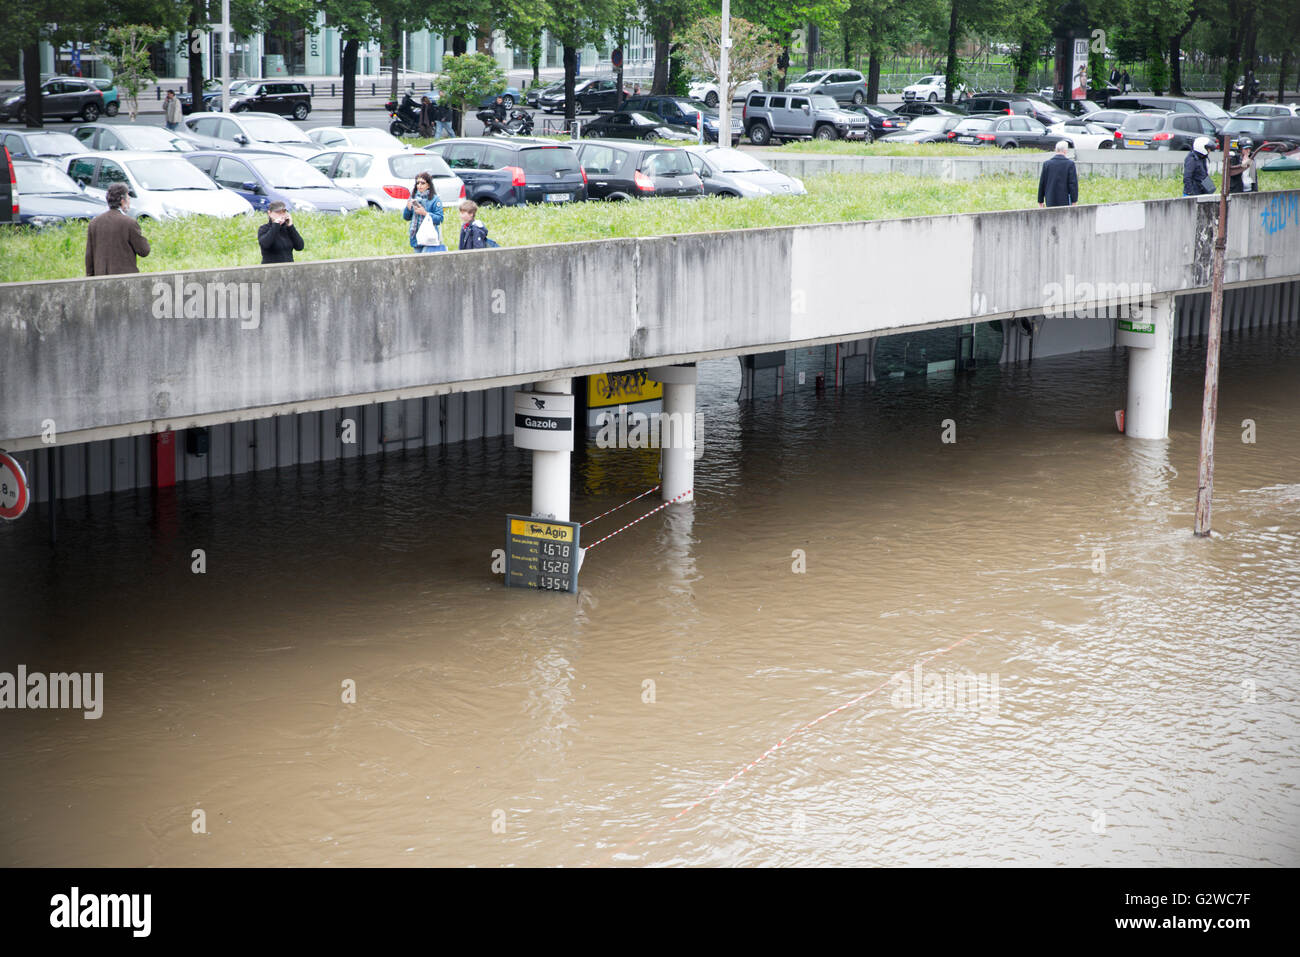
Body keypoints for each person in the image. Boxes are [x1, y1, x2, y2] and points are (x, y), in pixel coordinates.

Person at [85, 183, 150, 276]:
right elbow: (144, 251)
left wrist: (90, 278)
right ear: (123, 201)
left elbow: (89, 257)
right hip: (125, 280)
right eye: (128, 198)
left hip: (100, 279)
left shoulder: (94, 223)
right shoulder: (129, 223)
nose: (129, 201)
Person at [403, 170, 445, 252]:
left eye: (423, 183)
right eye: (418, 183)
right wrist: (408, 208)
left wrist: (425, 213)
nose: (419, 185)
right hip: (416, 237)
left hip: (429, 238)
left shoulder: (435, 200)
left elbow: (440, 219)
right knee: (418, 263)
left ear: (428, 185)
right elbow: (406, 217)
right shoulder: (413, 197)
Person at [1038, 141, 1078, 208]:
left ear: (1056, 150)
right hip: (1065, 199)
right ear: (1065, 151)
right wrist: (1074, 201)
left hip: (1050, 198)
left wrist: (1040, 200)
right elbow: (1073, 184)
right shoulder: (1070, 164)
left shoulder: (1047, 164)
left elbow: (1042, 183)